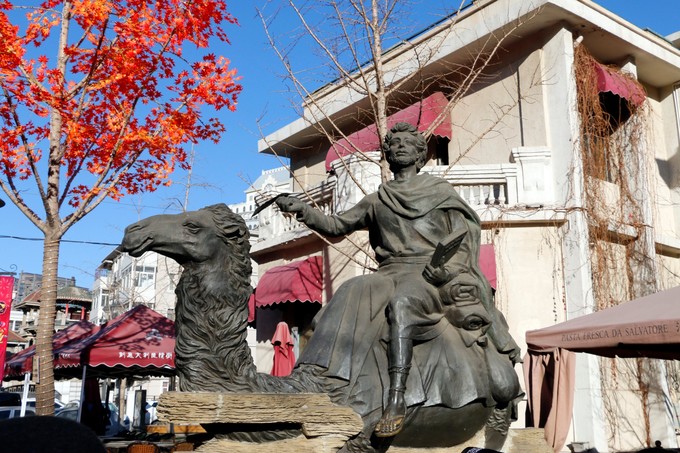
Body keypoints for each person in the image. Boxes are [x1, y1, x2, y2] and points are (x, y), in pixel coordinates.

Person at [277, 122, 520, 438]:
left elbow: (463, 241)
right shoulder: (378, 199)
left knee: (403, 303)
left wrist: (446, 271)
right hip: (388, 271)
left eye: (408, 142)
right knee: (351, 288)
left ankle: (396, 399)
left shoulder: (440, 193)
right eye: (394, 143)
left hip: (428, 274)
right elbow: (337, 226)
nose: (401, 146)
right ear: (388, 155)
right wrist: (304, 210)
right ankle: (321, 375)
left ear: (420, 155)